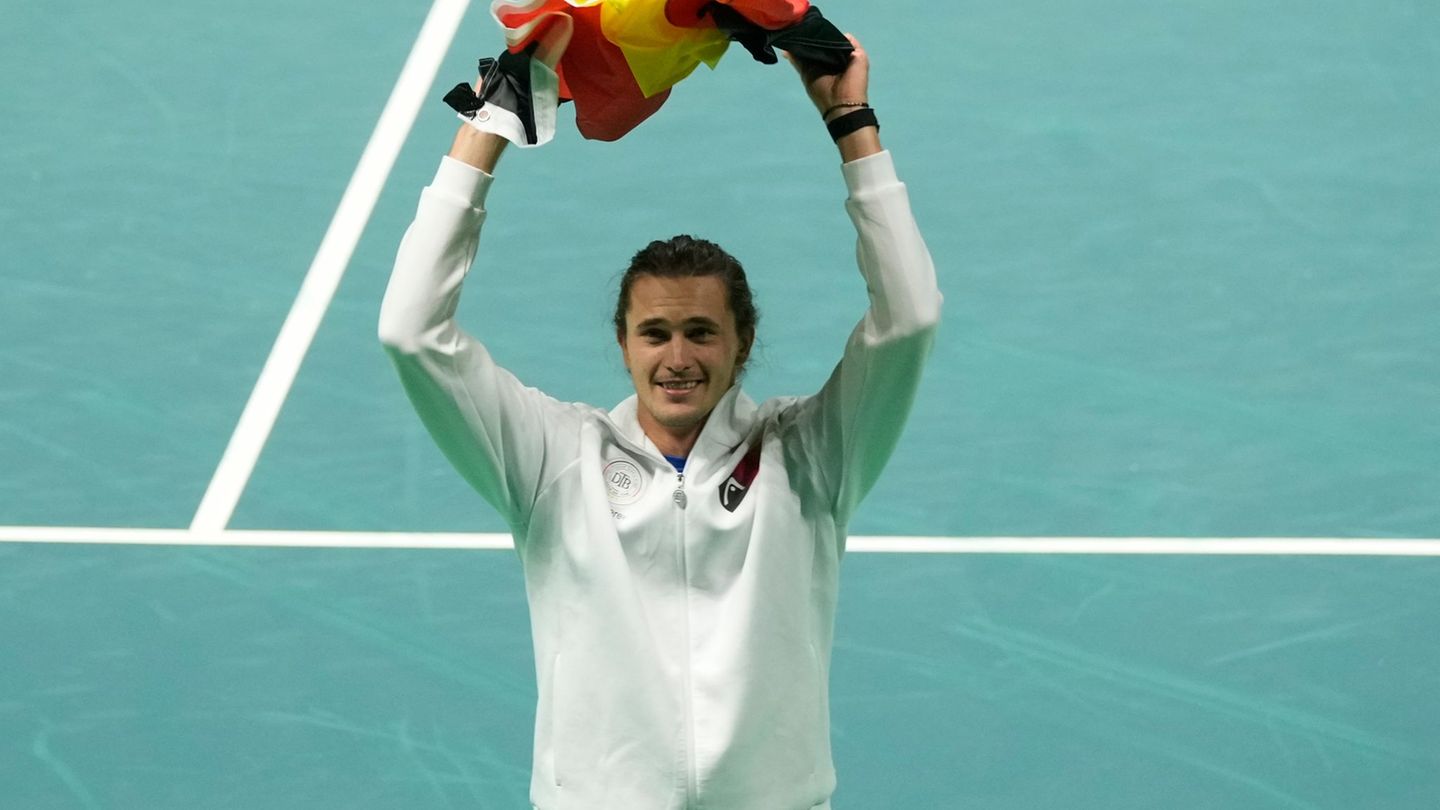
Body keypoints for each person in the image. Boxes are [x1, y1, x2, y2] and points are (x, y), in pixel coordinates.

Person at [378, 34, 941, 810]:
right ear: (623, 344)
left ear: (743, 341)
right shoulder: (552, 462)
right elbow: (412, 334)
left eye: (702, 332)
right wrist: (487, 129)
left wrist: (853, 128)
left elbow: (907, 322)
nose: (678, 357)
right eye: (655, 333)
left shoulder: (810, 458)